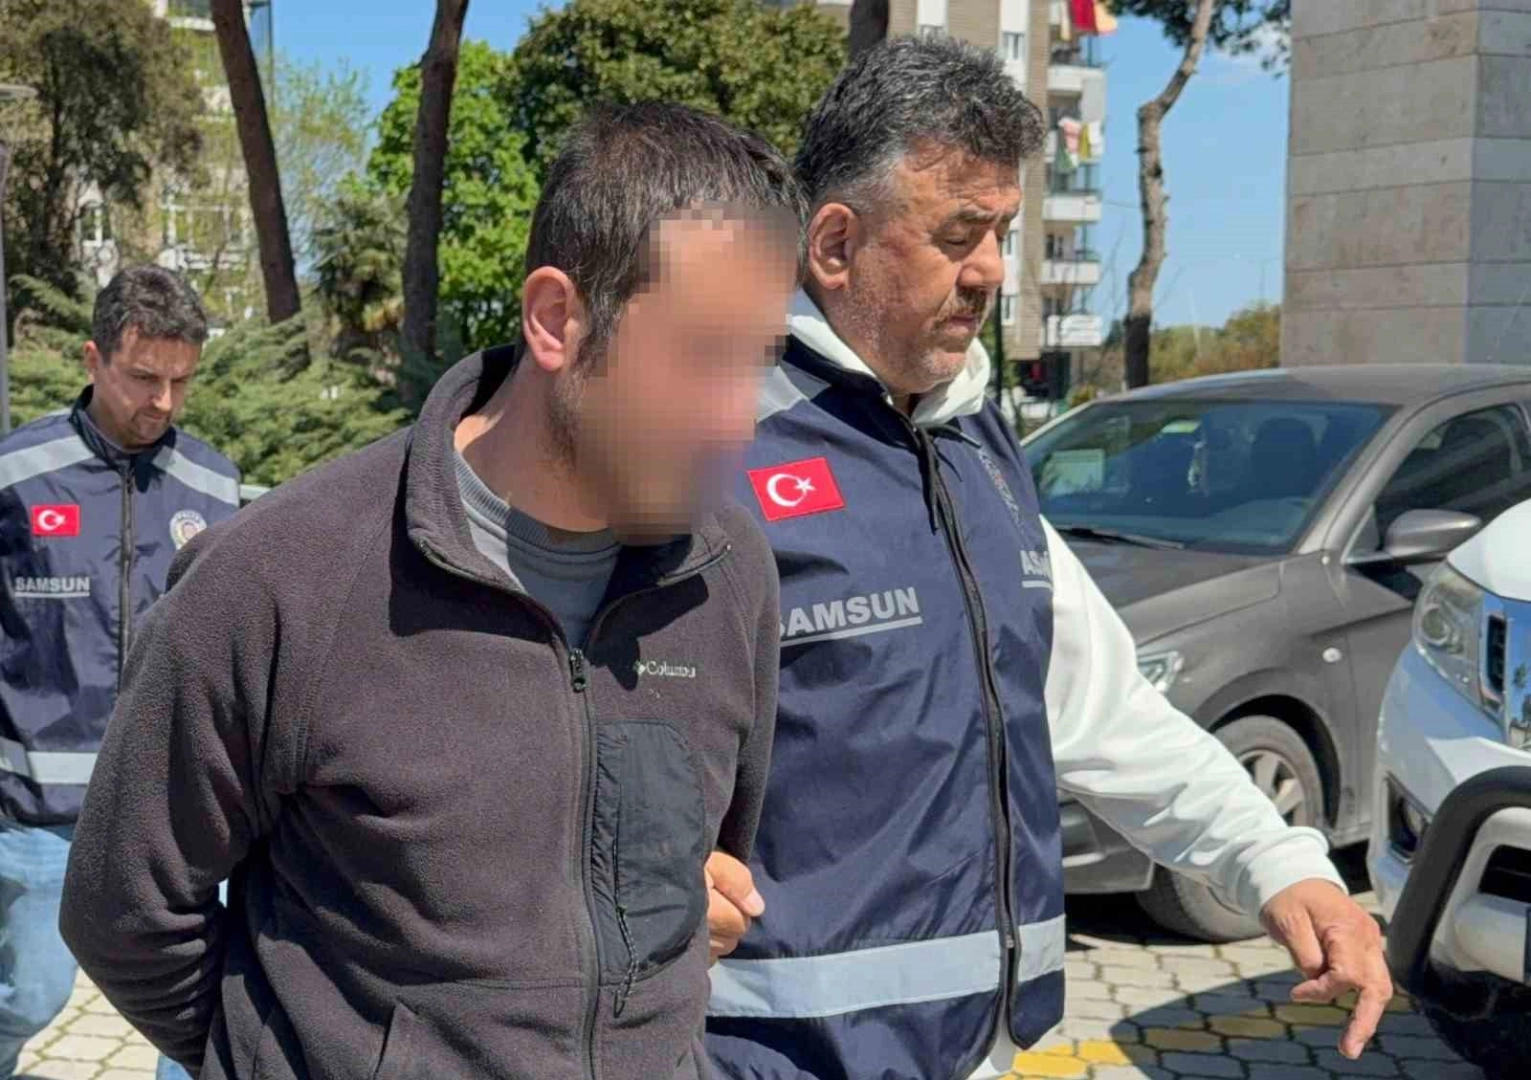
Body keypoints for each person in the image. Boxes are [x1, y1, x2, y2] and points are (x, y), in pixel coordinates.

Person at [59, 101, 800, 1080]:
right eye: (703, 356)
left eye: (757, 362)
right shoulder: (281, 578)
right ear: (557, 319)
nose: (740, 421)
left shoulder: (729, 575)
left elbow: (699, 871)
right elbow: (123, 912)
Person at [702, 37, 1393, 1080]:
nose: (989, 269)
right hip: (772, 1057)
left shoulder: (975, 440)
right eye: (958, 234)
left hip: (985, 1051)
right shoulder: (712, 440)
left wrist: (1278, 864)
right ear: (834, 244)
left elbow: (1097, 709)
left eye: (1003, 233)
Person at [0, 265, 238, 1078]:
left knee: (203, 1014)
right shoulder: (16, 476)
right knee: (30, 993)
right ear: (93, 358)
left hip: (178, 810)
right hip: (41, 816)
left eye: (181, 381)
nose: (163, 402)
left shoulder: (214, 485)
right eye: (143, 378)